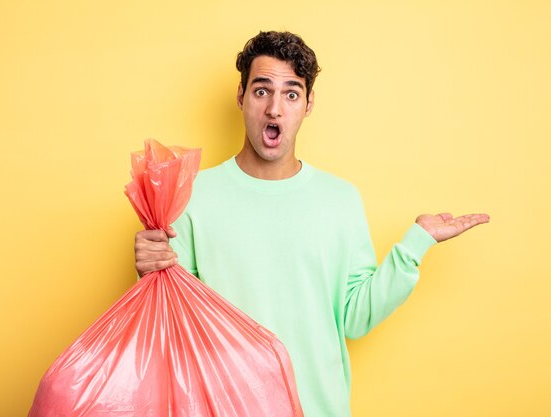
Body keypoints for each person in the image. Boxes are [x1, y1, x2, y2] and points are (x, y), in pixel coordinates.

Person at [133, 31, 489, 417]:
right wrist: (150, 270)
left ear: (308, 104)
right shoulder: (192, 196)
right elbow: (173, 320)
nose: (274, 109)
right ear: (240, 96)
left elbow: (354, 317)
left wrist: (415, 245)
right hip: (223, 408)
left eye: (291, 93)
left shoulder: (340, 200)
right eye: (261, 91)